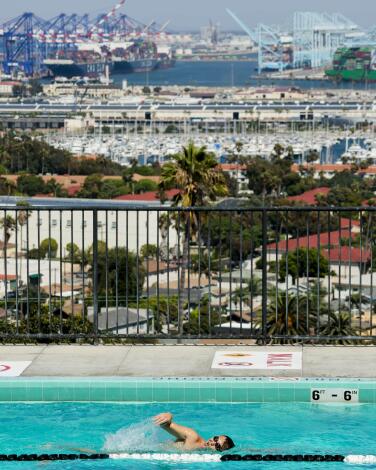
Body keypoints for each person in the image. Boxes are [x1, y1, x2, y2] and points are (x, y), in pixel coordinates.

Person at [153, 412, 235, 452]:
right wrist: (169, 416)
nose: (212, 442)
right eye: (216, 438)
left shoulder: (200, 452)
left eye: (217, 446)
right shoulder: (192, 436)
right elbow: (166, 425)